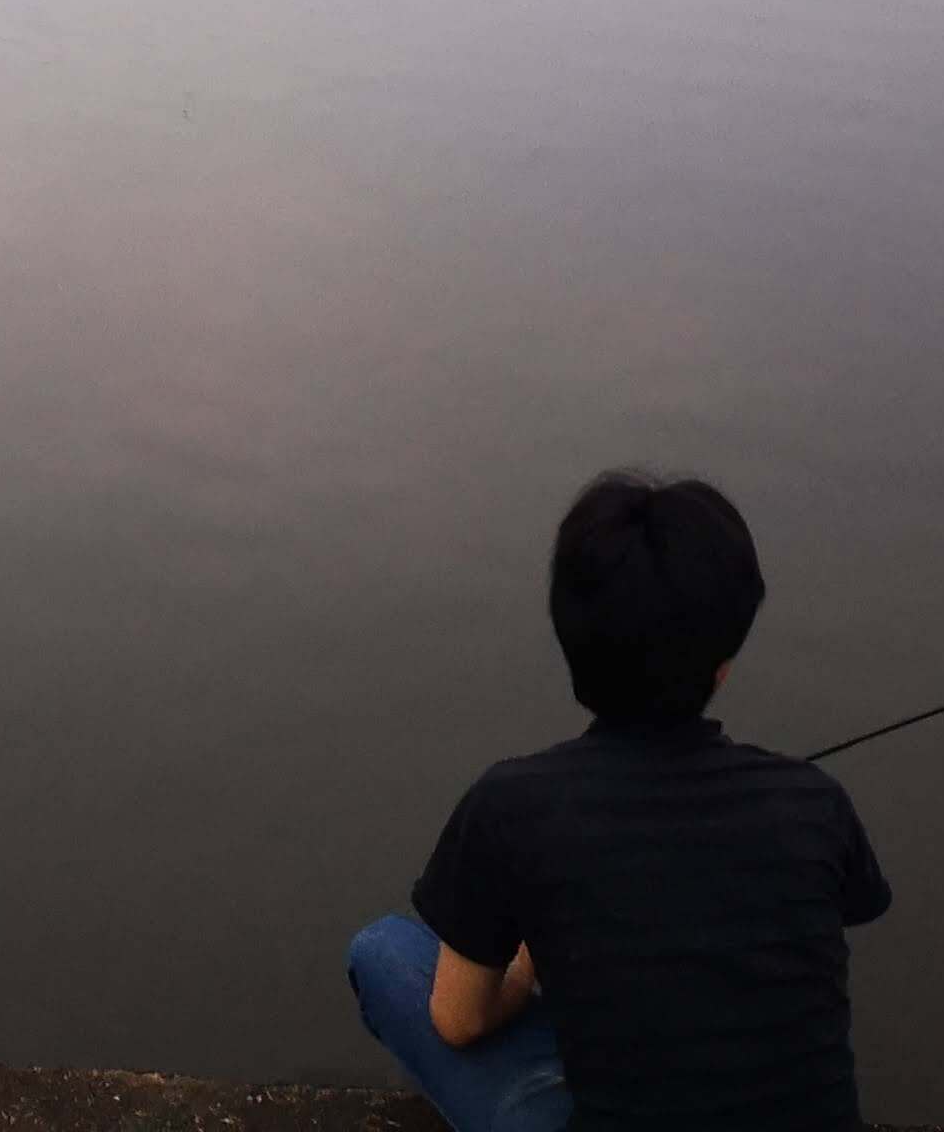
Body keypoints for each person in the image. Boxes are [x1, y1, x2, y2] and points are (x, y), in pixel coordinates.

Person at [347, 473, 890, 1132]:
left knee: (383, 953)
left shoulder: (512, 806)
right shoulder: (814, 802)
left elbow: (459, 1023)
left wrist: (530, 960)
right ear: (724, 661)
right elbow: (826, 918)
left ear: (569, 639)